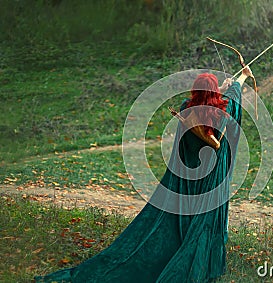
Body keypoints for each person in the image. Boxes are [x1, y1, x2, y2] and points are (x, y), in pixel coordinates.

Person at [35, 66, 253, 283]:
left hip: (188, 176)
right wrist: (241, 77)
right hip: (210, 179)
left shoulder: (186, 108)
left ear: (195, 91)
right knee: (203, 218)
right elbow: (231, 99)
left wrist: (225, 86)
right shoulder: (224, 112)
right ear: (215, 92)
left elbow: (207, 108)